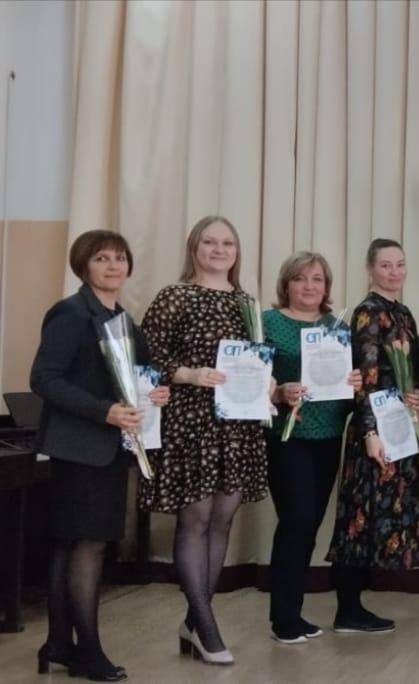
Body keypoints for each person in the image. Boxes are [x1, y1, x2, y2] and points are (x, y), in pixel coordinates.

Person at [31, 230, 170, 681]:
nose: (113, 266)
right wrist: (104, 411)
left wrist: (155, 392)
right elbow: (44, 379)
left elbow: (137, 376)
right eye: (102, 259)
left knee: (71, 545)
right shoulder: (71, 313)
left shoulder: (122, 319)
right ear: (83, 266)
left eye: (120, 258)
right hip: (79, 448)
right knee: (87, 545)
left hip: (109, 448)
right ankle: (87, 651)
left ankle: (58, 645)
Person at [141, 216, 269, 665]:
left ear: (237, 251)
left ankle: (194, 622)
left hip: (237, 426)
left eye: (227, 243)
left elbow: (257, 361)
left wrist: (267, 385)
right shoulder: (174, 296)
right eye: (210, 242)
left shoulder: (246, 303)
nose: (219, 249)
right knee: (195, 518)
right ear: (194, 247)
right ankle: (207, 626)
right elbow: (147, 356)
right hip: (191, 422)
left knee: (222, 519)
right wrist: (189, 374)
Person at [325, 239, 419, 634]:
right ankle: (347, 609)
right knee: (359, 516)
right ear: (370, 269)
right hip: (375, 429)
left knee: (381, 516)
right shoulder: (368, 313)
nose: (394, 272)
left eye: (400, 264)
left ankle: (356, 605)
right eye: (385, 265)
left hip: (398, 425)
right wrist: (369, 431)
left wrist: (417, 393)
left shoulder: (404, 313)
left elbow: (412, 370)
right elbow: (365, 377)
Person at [262, 252, 362, 644]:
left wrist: (353, 382)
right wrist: (278, 392)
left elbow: (350, 385)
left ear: (326, 286)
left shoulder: (337, 327)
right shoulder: (268, 322)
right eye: (300, 279)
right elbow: (252, 377)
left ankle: (292, 611)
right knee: (296, 521)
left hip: (330, 435)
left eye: (317, 279)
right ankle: (284, 618)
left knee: (309, 525)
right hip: (288, 437)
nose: (308, 286)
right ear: (286, 284)